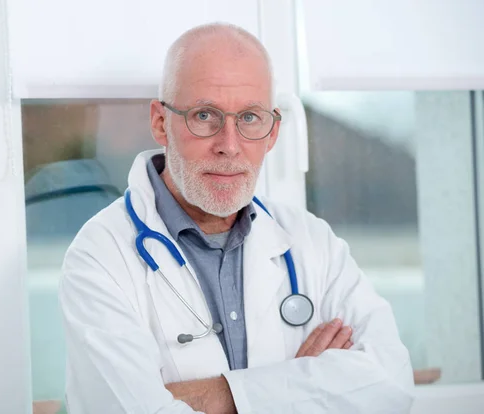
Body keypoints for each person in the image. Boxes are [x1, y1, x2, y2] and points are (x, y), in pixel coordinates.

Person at [59, 23, 414, 413]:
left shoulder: (312, 241)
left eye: (249, 118)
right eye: (205, 115)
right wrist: (303, 383)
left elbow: (391, 384)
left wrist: (219, 396)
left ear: (273, 131)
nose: (229, 146)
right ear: (161, 123)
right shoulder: (100, 255)